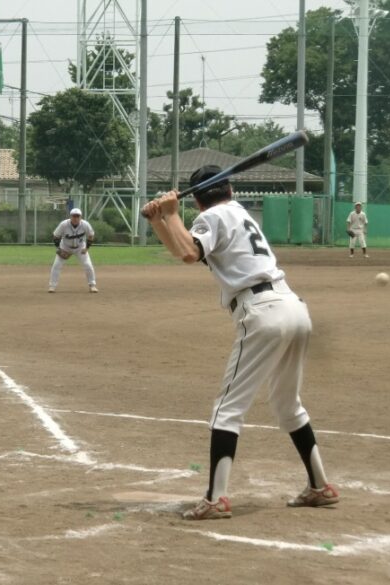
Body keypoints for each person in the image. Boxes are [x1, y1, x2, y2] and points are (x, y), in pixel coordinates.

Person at [141, 165, 339, 520]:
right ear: (229, 189)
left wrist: (171, 213)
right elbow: (185, 248)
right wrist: (160, 220)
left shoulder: (212, 217)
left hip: (261, 313)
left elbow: (188, 251)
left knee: (226, 410)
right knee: (287, 405)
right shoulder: (237, 212)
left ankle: (216, 499)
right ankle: (320, 486)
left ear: (198, 200)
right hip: (292, 307)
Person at [48, 208, 98, 293]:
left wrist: (86, 248)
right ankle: (52, 286)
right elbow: (56, 236)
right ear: (70, 217)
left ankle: (92, 285)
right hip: (65, 247)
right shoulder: (64, 224)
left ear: (80, 217)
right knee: (56, 265)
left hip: (80, 247)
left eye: (77, 216)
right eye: (74, 216)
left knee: (88, 265)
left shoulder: (85, 225)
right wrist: (59, 249)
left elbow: (91, 235)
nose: (75, 218)